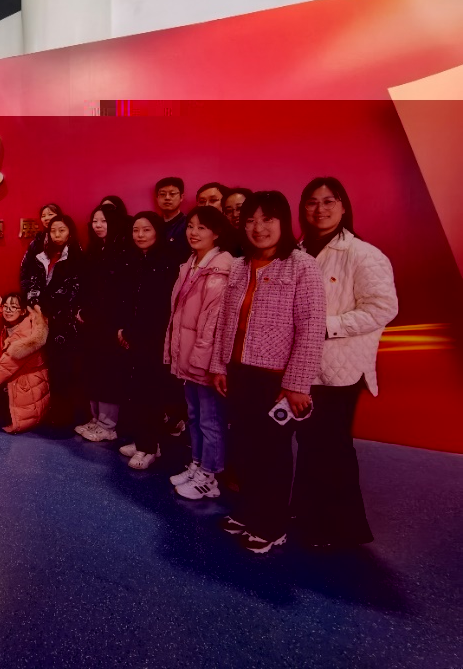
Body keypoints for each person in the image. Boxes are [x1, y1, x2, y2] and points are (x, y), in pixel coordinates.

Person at [209, 191, 326, 554]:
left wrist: (296, 384)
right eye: (250, 220)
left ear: (283, 223)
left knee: (272, 453)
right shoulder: (240, 265)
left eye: (267, 219)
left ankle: (272, 526)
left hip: (276, 378)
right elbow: (225, 321)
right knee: (244, 447)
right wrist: (219, 365)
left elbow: (312, 327)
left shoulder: (302, 266)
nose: (258, 228)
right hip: (239, 371)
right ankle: (249, 512)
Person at [291, 177, 397, 547]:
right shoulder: (298, 250)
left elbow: (383, 308)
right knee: (309, 441)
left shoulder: (362, 253)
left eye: (328, 201)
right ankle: (307, 513)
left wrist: (327, 326)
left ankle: (343, 529)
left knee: (332, 446)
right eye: (311, 202)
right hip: (303, 366)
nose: (320, 209)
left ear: (343, 206)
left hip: (340, 369)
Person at [165, 206, 235, 499]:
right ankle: (197, 464)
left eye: (201, 227)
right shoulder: (192, 263)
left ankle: (210, 476)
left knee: (210, 419)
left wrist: (201, 361)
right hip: (189, 355)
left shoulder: (220, 269)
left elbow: (213, 322)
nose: (193, 232)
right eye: (191, 226)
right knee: (194, 415)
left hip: (204, 360)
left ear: (216, 233)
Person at [114, 212, 180, 470]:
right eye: (136, 230)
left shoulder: (168, 261)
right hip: (132, 335)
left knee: (151, 393)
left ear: (158, 232)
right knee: (135, 390)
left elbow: (160, 307)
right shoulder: (133, 259)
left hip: (155, 338)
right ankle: (143, 440)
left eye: (146, 230)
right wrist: (123, 329)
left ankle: (149, 447)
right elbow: (126, 299)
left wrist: (135, 333)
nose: (140, 235)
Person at [76, 202, 131, 442]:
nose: (98, 225)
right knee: (93, 368)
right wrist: (83, 310)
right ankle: (96, 418)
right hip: (93, 322)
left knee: (108, 372)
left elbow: (118, 293)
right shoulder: (96, 249)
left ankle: (108, 424)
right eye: (95, 221)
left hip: (111, 323)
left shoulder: (123, 250)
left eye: (104, 221)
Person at [20, 214, 83, 426]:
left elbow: (73, 291)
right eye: (53, 230)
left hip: (63, 323)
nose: (57, 234)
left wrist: (47, 306)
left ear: (70, 233)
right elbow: (32, 281)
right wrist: (34, 302)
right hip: (39, 318)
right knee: (42, 368)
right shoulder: (41, 254)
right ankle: (44, 413)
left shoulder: (77, 256)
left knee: (62, 370)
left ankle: (63, 418)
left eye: (61, 230)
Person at [0, 296, 51, 434]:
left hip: (27, 388)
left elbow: (4, 367)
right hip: (30, 382)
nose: (8, 310)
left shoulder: (24, 336)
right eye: (6, 307)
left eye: (13, 307)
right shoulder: (21, 323)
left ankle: (14, 420)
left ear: (23, 311)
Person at [19, 203, 63, 304]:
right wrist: (28, 292)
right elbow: (25, 268)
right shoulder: (37, 242)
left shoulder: (70, 242)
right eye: (43, 216)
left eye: (50, 214)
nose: (46, 218)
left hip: (60, 299)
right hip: (36, 297)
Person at [155, 177, 190, 261]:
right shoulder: (153, 224)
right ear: (157, 198)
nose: (167, 198)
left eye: (172, 194)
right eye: (162, 194)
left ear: (181, 197)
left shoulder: (188, 224)